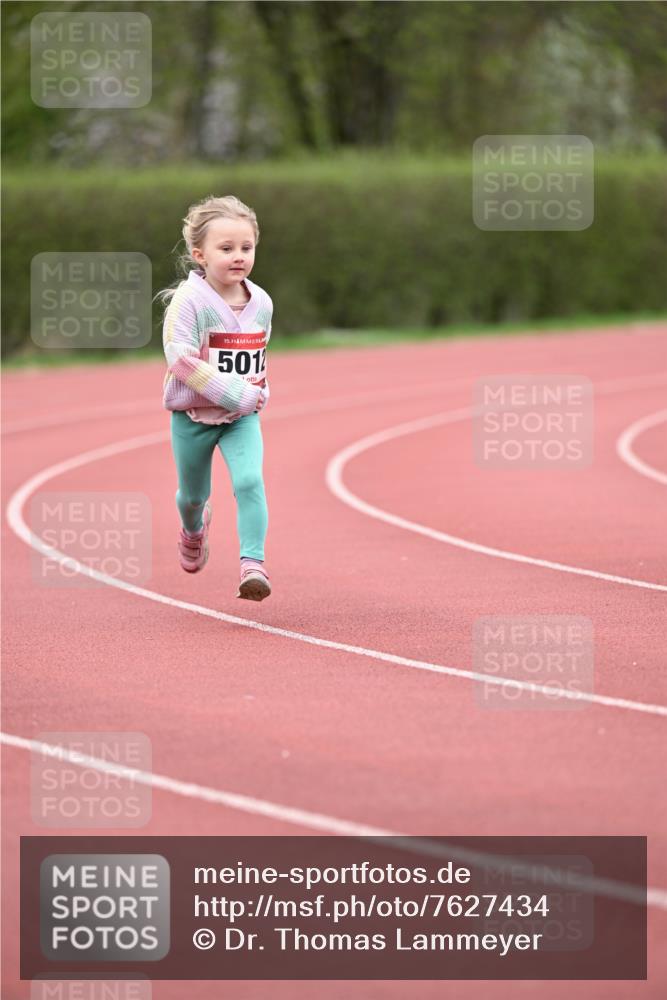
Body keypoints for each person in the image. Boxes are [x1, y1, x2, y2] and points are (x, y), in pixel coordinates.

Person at [155, 194, 272, 601]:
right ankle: (192, 528)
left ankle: (252, 565)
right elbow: (181, 360)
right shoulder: (187, 304)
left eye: (246, 247)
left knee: (250, 480)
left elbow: (257, 357)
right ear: (199, 254)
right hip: (192, 418)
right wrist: (236, 392)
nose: (238, 256)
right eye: (226, 248)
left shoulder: (262, 303)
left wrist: (259, 391)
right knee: (192, 496)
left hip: (240, 419)